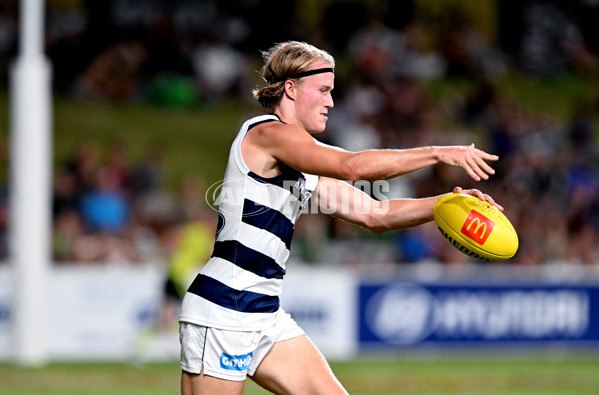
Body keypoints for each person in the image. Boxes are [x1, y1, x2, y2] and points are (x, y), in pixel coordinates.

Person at [178, 41, 502, 394]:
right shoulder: (267, 133)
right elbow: (353, 168)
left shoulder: (301, 161)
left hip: (263, 310)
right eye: (323, 91)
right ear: (291, 88)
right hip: (224, 308)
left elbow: (375, 214)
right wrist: (439, 152)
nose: (331, 102)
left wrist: (447, 203)